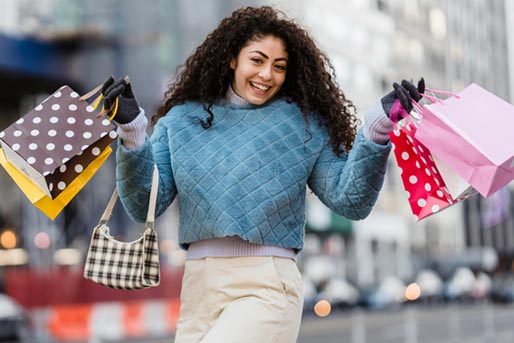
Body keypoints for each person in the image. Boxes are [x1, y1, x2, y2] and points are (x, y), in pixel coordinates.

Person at [101, 5, 424, 343]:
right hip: (198, 287)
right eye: (257, 60)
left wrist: (377, 126)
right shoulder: (181, 121)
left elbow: (351, 201)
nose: (267, 75)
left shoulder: (302, 124)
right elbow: (143, 205)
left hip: (266, 286)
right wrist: (133, 132)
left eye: (279, 66)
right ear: (231, 59)